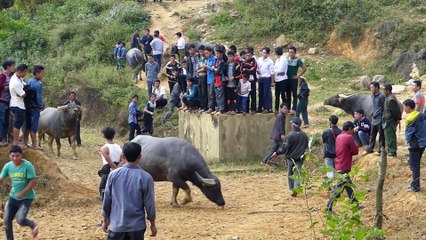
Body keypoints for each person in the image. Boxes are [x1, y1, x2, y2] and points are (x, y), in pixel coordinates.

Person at [102, 142, 157, 239]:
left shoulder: (113, 175)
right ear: (139, 157)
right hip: (136, 227)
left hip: (116, 226)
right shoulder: (146, 177)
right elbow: (149, 204)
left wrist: (105, 220)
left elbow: (107, 199)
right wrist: (152, 224)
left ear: (122, 156)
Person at [0, 145, 39, 239]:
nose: (15, 158)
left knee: (20, 220)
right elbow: (1, 179)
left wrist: (23, 192)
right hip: (13, 197)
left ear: (21, 155)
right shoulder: (8, 166)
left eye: (17, 156)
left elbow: (33, 181)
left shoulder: (27, 165)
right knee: (7, 220)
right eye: (13, 156)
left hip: (26, 198)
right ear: (9, 156)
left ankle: (32, 224)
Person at [326, 121, 360, 213]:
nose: (353, 131)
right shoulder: (349, 137)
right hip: (344, 164)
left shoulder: (339, 137)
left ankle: (355, 203)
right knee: (339, 188)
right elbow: (355, 151)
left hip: (339, 163)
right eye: (352, 129)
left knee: (348, 186)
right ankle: (329, 206)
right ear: (350, 129)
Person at [270, 117, 309, 197]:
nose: (291, 125)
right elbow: (306, 148)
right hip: (300, 158)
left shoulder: (290, 135)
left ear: (294, 125)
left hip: (291, 158)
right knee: (298, 173)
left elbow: (285, 148)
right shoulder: (304, 135)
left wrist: (277, 153)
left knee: (290, 173)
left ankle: (292, 188)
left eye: (292, 124)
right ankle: (296, 188)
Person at [403, 99, 426, 192]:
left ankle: (416, 186)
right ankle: (414, 183)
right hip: (422, 143)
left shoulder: (410, 118)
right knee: (415, 163)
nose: (403, 108)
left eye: (404, 106)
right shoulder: (421, 114)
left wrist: (407, 142)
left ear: (408, 107)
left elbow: (409, 134)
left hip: (414, 145)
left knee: (414, 165)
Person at [98, 127, 122, 200]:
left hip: (108, 167)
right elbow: (122, 159)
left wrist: (114, 167)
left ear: (104, 136)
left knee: (104, 184)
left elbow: (108, 160)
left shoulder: (104, 148)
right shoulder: (119, 147)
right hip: (119, 166)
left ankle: (103, 195)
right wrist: (118, 167)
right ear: (113, 135)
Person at [25, 65, 45, 150]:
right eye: (42, 73)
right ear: (37, 73)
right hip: (35, 107)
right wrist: (41, 106)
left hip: (27, 106)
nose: (43, 75)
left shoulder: (28, 81)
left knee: (28, 125)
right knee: (34, 126)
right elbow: (39, 97)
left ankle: (25, 142)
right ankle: (34, 144)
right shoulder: (38, 84)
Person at [9, 64, 28, 148]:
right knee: (17, 123)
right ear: (20, 72)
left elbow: (25, 86)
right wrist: (25, 92)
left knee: (19, 122)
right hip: (17, 104)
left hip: (20, 104)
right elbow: (23, 94)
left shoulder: (19, 78)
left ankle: (16, 140)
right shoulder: (15, 82)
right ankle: (15, 142)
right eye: (25, 72)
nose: (26, 74)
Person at [382, 83, 402, 157]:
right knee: (388, 136)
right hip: (387, 120)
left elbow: (395, 111)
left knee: (390, 136)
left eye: (383, 90)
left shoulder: (391, 99)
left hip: (390, 120)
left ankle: (392, 151)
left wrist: (397, 119)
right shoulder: (387, 97)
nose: (382, 91)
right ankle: (390, 150)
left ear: (387, 90)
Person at [366, 81, 385, 155]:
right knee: (372, 134)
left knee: (381, 135)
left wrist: (382, 116)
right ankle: (370, 148)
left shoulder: (381, 96)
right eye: (370, 87)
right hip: (374, 118)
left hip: (380, 118)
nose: (371, 89)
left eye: (372, 87)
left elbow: (384, 107)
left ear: (377, 88)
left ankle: (381, 150)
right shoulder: (373, 96)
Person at [287, 46, 307, 114]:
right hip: (287, 79)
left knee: (294, 94)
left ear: (295, 53)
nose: (291, 54)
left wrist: (298, 76)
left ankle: (294, 108)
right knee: (288, 94)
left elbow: (304, 68)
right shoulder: (287, 59)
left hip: (293, 80)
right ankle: (288, 108)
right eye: (289, 52)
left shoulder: (297, 60)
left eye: (292, 52)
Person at [0, 60, 15, 147]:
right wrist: (10, 88)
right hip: (1, 101)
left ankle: (4, 138)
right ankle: (1, 139)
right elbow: (1, 87)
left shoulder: (11, 76)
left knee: (6, 121)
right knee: (1, 121)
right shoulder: (2, 75)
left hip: (7, 102)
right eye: (12, 66)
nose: (13, 68)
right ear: (8, 67)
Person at [322, 115, 342, 179]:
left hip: (328, 154)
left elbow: (324, 141)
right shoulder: (341, 132)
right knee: (338, 171)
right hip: (338, 154)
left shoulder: (326, 132)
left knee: (330, 171)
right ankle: (337, 185)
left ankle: (332, 185)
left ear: (330, 122)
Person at [256, 47, 275, 113]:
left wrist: (272, 82)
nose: (264, 54)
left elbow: (272, 73)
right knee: (260, 93)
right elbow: (257, 68)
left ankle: (267, 108)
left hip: (267, 78)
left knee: (266, 93)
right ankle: (260, 107)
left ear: (268, 54)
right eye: (263, 53)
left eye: (265, 53)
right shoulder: (259, 60)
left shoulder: (270, 62)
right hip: (260, 78)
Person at [241, 49, 257, 114]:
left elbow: (253, 70)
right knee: (246, 95)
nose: (248, 57)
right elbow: (242, 70)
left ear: (252, 55)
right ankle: (246, 109)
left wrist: (246, 69)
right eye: (247, 55)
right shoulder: (244, 62)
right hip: (246, 82)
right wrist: (247, 69)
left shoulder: (254, 61)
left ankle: (253, 109)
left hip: (252, 82)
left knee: (253, 96)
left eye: (249, 55)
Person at [274, 47, 288, 113]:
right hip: (277, 79)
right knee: (277, 95)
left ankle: (285, 108)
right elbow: (275, 70)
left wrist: (277, 72)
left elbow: (281, 71)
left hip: (283, 79)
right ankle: (276, 108)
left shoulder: (283, 59)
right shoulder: (277, 60)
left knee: (283, 95)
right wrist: (277, 72)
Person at [205, 47, 217, 113]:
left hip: (213, 78)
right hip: (208, 79)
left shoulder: (214, 59)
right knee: (209, 94)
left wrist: (207, 67)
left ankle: (212, 107)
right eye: (205, 53)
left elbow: (214, 68)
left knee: (212, 94)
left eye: (207, 53)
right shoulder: (208, 60)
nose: (206, 54)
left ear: (211, 52)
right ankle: (210, 106)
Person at [196, 45, 208, 112]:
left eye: (201, 52)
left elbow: (204, 69)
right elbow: (197, 69)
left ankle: (205, 107)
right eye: (199, 52)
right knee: (200, 92)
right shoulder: (201, 59)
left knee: (204, 92)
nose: (201, 53)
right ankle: (202, 106)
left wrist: (200, 70)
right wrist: (200, 70)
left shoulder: (206, 59)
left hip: (204, 77)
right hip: (200, 77)